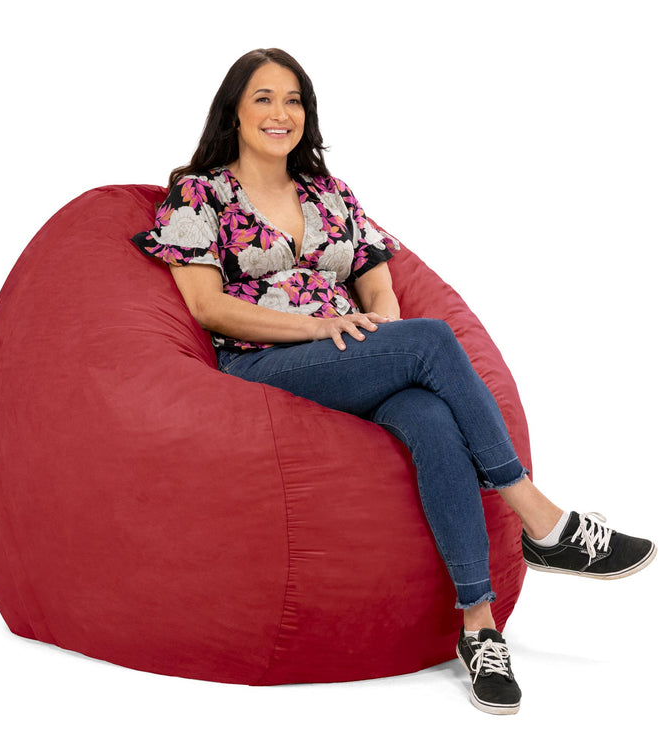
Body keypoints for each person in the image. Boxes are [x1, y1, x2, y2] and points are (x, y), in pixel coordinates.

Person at [131, 48, 656, 715]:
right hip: (262, 360)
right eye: (263, 98)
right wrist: (324, 328)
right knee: (432, 341)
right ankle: (538, 517)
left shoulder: (330, 193)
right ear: (233, 111)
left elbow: (379, 286)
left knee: (429, 415)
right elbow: (208, 307)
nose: (280, 113)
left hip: (345, 352)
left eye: (293, 100)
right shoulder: (200, 194)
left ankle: (479, 627)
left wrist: (379, 338)